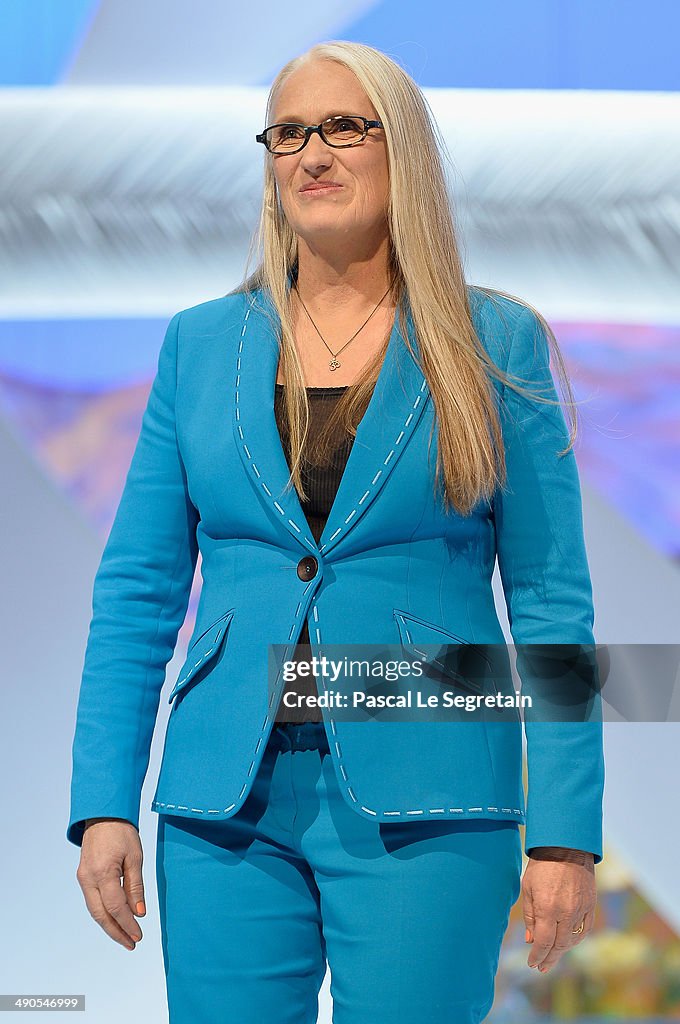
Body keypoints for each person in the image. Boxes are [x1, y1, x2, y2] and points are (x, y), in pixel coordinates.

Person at [69, 40, 604, 1024]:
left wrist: (565, 835)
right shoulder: (198, 344)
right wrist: (104, 801)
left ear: (400, 150)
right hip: (222, 808)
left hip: (431, 804)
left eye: (344, 126)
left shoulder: (494, 343)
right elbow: (137, 591)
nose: (311, 153)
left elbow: (549, 602)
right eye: (287, 132)